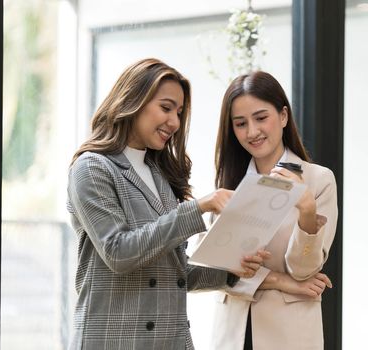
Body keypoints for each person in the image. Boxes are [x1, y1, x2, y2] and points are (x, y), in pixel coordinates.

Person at [66, 58, 265, 350]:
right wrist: (198, 208)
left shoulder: (161, 176)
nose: (174, 122)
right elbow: (119, 252)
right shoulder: (92, 168)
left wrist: (230, 269)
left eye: (180, 112)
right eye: (166, 107)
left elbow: (173, 272)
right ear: (133, 100)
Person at [208, 71, 338, 350]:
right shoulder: (228, 185)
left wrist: (306, 209)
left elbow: (304, 272)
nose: (252, 132)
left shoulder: (319, 180)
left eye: (261, 118)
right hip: (232, 333)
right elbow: (211, 270)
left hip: (289, 335)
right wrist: (279, 282)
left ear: (283, 116)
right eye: (240, 123)